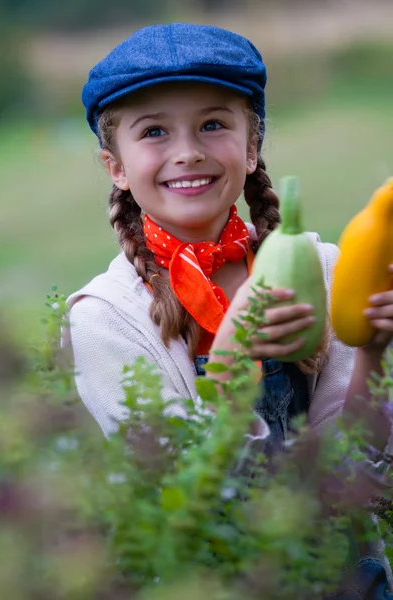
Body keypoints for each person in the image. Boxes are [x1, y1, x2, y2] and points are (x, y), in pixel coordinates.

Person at [63, 21, 393, 596]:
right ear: (115, 166)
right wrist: (235, 355)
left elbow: (355, 469)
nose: (187, 152)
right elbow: (187, 500)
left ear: (253, 145)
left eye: (214, 124)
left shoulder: (323, 268)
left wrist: (372, 350)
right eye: (155, 132)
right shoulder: (103, 317)